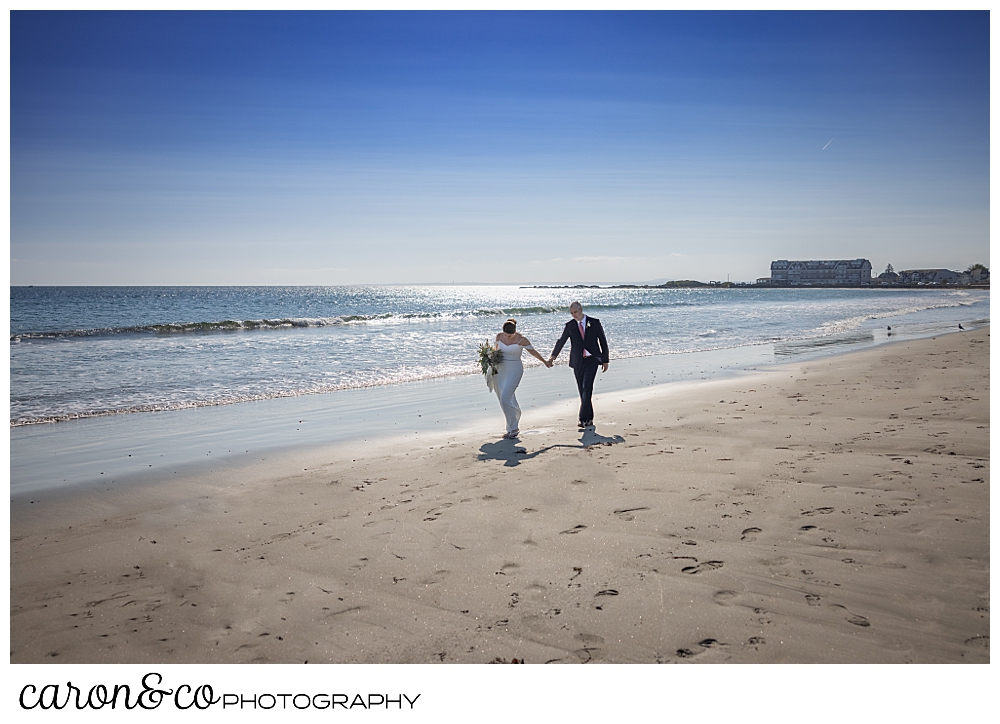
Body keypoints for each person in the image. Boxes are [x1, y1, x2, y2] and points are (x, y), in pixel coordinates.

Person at [548, 301, 609, 429]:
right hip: (577, 361)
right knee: (582, 389)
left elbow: (603, 340)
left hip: (592, 359)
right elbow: (561, 341)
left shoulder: (594, 322)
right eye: (571, 313)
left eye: (575, 312)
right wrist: (553, 356)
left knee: (587, 387)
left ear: (581, 309)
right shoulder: (570, 326)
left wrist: (605, 359)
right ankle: (589, 418)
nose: (574, 315)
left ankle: (582, 418)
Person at [493, 318, 552, 439]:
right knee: (503, 397)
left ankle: (514, 425)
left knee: (505, 398)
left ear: (514, 332)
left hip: (515, 370)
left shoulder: (522, 339)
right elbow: (495, 351)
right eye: (505, 335)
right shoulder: (499, 337)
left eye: (510, 336)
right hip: (501, 370)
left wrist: (545, 362)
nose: (507, 337)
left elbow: (533, 352)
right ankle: (510, 427)